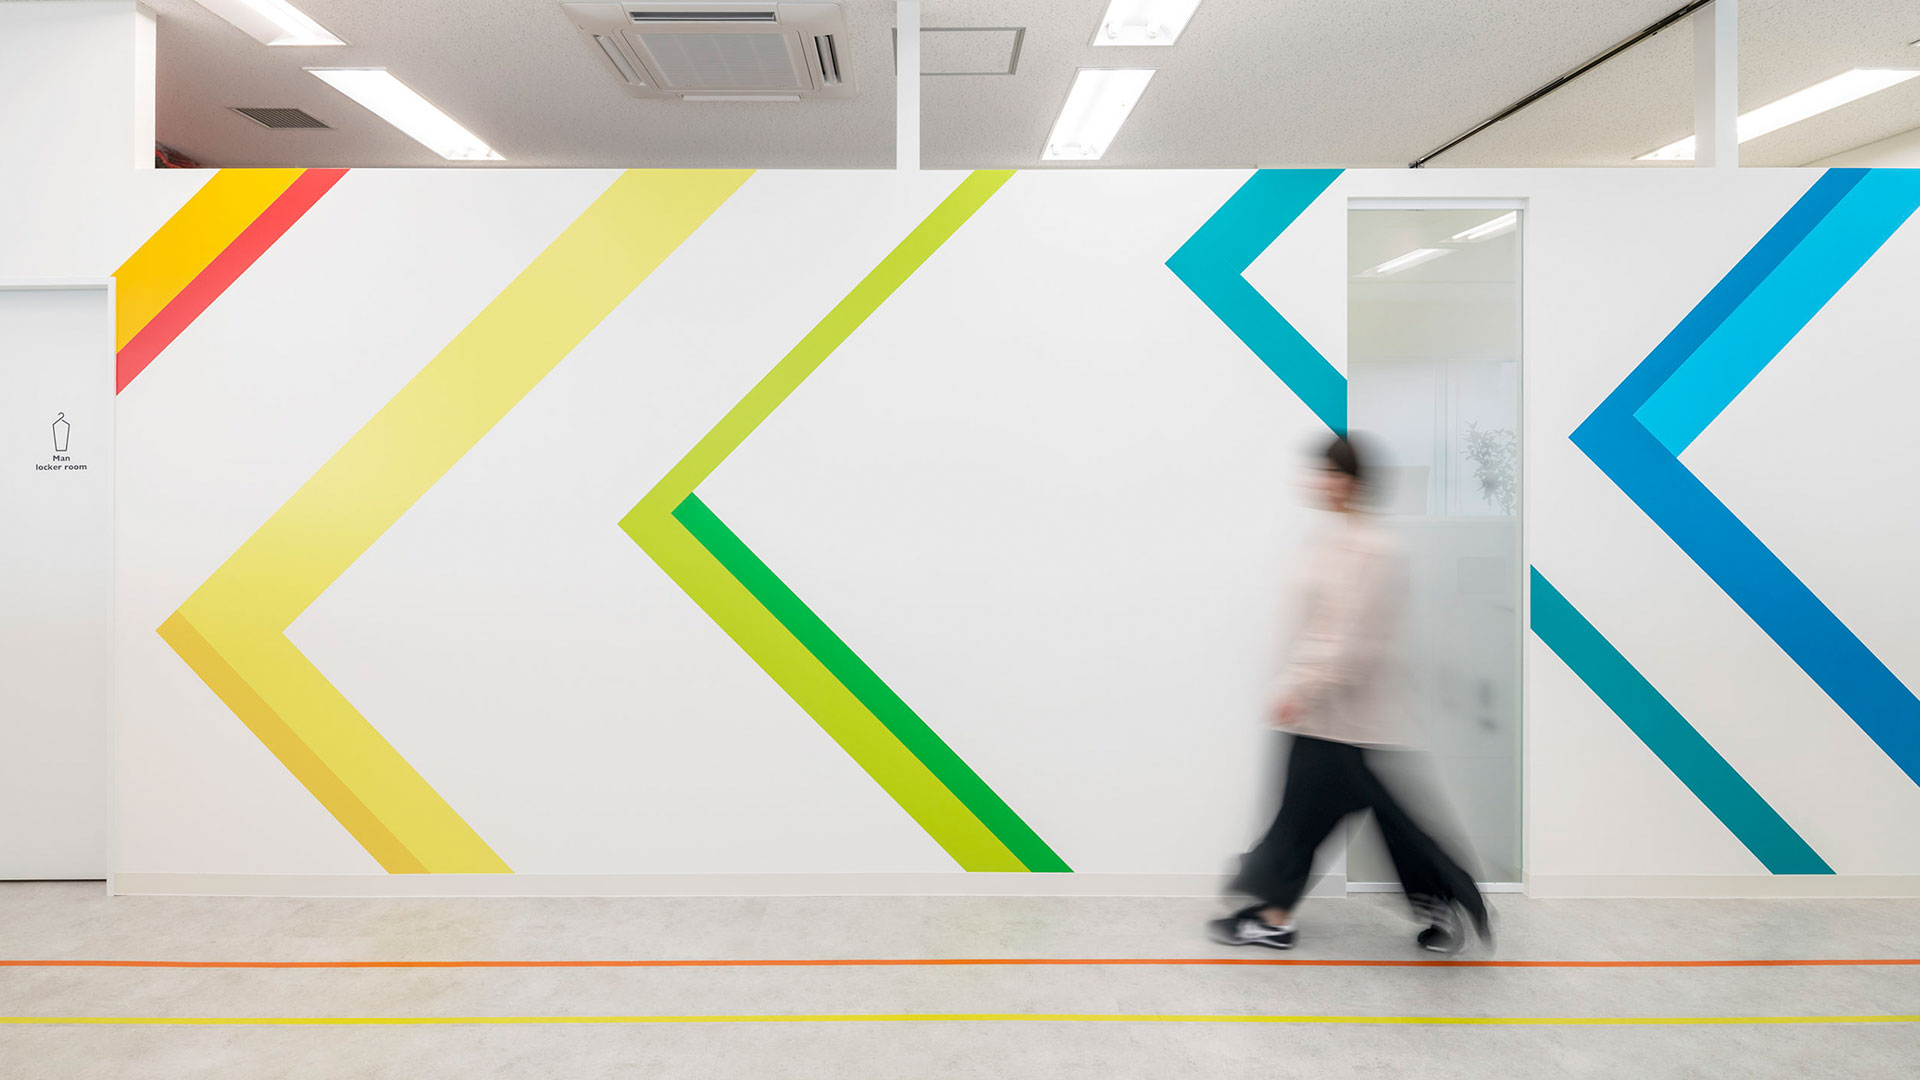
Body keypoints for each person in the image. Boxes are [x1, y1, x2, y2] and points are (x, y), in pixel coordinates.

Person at [1209, 434, 1490, 954]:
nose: (1318, 481)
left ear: (1352, 483)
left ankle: (1278, 915)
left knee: (1342, 820)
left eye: (1330, 473)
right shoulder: (1327, 542)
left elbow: (1354, 639)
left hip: (1352, 718)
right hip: (1324, 715)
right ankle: (1278, 913)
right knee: (1317, 818)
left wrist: (1302, 686)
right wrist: (1295, 684)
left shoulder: (1376, 550)